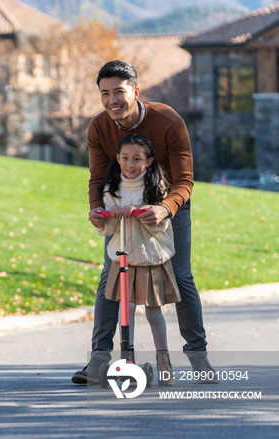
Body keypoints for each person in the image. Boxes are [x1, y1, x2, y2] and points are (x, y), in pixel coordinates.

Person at [72, 60, 218, 385]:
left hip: (168, 207)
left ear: (135, 92)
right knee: (111, 276)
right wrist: (97, 210)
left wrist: (165, 209)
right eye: (105, 93)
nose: (112, 101)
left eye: (119, 92)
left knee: (180, 275)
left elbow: (185, 181)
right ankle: (98, 360)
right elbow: (98, 178)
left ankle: (198, 357)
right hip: (123, 208)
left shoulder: (168, 121)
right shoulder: (98, 127)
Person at [95, 134, 179, 385]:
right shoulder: (113, 188)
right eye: (125, 158)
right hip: (123, 259)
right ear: (118, 160)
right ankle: (127, 360)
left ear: (149, 161)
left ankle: (164, 361)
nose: (130, 164)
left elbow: (159, 225)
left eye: (137, 159)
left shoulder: (156, 186)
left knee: (153, 314)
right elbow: (109, 229)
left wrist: (138, 212)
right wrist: (106, 216)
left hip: (149, 258)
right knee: (126, 310)